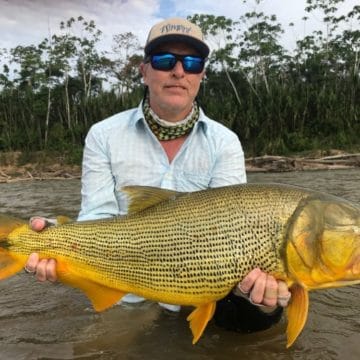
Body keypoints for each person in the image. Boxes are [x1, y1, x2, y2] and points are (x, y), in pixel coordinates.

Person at [25, 17, 290, 333]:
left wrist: (260, 296)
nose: (179, 71)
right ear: (144, 70)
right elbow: (97, 217)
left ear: (201, 74)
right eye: (166, 61)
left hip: (201, 294)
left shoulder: (225, 142)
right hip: (126, 293)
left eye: (192, 63)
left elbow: (233, 229)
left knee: (263, 316)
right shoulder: (103, 135)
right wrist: (56, 240)